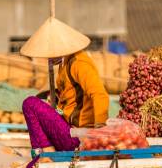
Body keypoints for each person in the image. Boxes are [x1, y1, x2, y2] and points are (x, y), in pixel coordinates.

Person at [19, 17, 110, 154]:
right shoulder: (64, 64)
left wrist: (98, 133)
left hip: (78, 136)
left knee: (29, 104)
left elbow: (99, 95)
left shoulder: (79, 63)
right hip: (70, 129)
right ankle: (44, 151)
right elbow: (70, 100)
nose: (47, 57)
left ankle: (48, 152)